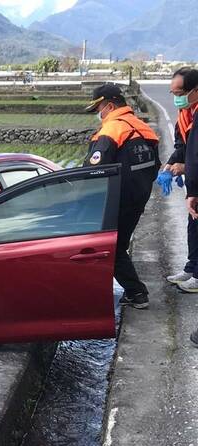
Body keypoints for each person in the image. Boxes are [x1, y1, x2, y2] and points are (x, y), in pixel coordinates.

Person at [84, 83, 160, 309]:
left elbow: (92, 173)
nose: (99, 115)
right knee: (119, 247)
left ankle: (137, 293)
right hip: (138, 198)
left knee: (111, 249)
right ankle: (131, 291)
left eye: (99, 109)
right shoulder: (143, 128)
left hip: (116, 201)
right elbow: (154, 166)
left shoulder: (111, 130)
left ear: (108, 105)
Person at [163, 68, 198, 292]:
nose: (177, 98)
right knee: (193, 226)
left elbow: (195, 156)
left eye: (180, 93)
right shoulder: (186, 114)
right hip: (195, 180)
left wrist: (193, 191)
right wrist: (169, 163)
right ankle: (192, 267)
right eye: (173, 94)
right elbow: (183, 147)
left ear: (195, 91)